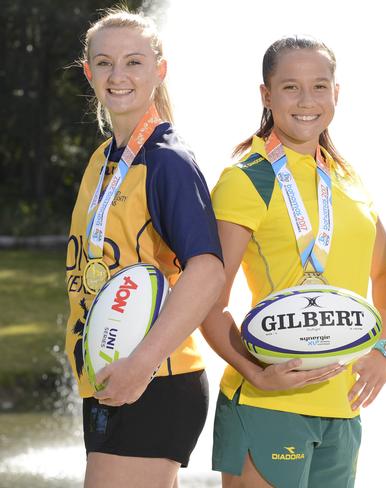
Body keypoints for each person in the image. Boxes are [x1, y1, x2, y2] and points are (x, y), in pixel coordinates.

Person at [200, 36, 386, 488]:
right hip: (267, 404)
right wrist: (258, 375)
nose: (307, 100)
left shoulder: (347, 178)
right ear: (266, 96)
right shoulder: (245, 178)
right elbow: (206, 301)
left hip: (342, 408)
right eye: (290, 87)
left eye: (319, 86)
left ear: (337, 93)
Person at [65, 8, 224, 487]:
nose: (118, 76)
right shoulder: (103, 157)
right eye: (105, 63)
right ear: (88, 70)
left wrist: (141, 364)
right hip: (114, 377)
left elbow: (208, 272)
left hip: (154, 379)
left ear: (160, 68)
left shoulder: (167, 160)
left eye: (133, 62)